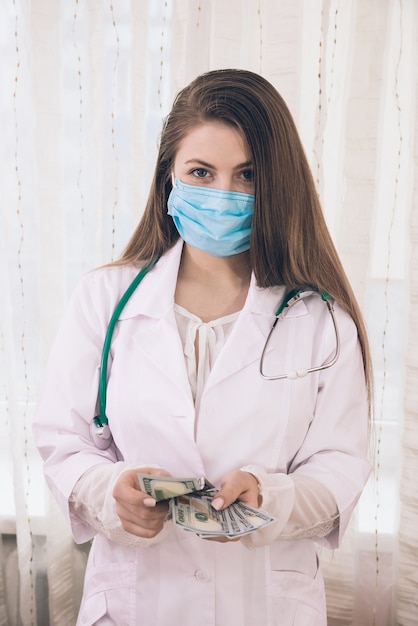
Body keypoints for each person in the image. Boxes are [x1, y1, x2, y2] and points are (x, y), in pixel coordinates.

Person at [33, 68, 372, 626]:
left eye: (248, 175)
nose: (224, 195)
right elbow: (63, 441)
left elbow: (340, 466)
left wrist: (271, 497)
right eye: (201, 172)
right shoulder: (106, 298)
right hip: (135, 602)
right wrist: (108, 491)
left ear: (278, 184)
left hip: (264, 606)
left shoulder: (320, 318)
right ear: (169, 177)